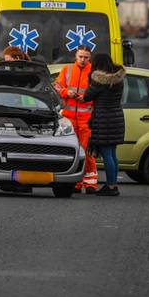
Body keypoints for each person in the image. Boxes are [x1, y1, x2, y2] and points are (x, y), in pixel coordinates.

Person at [80, 53, 125, 197]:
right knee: (112, 153)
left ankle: (110, 186)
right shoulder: (118, 78)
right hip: (116, 117)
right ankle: (113, 185)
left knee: (106, 154)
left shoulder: (99, 80)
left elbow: (87, 96)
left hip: (104, 119)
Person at [56, 47, 98, 193]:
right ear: (76, 55)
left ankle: (90, 183)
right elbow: (57, 87)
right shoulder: (67, 69)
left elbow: (97, 95)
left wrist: (85, 98)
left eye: (86, 57)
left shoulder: (94, 73)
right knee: (72, 151)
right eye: (80, 56)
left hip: (86, 119)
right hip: (69, 119)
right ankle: (75, 183)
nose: (82, 59)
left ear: (89, 58)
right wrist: (67, 92)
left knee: (86, 152)